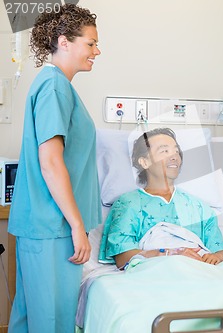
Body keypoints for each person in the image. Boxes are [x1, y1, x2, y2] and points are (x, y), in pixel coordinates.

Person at [7, 4, 102, 332]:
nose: (97, 51)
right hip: (54, 227)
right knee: (52, 323)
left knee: (31, 319)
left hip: (44, 225)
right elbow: (50, 161)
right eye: (90, 43)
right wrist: (77, 226)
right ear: (64, 42)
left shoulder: (53, 84)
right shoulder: (55, 86)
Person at [99, 128, 223, 269]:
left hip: (199, 272)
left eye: (176, 151)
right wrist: (170, 254)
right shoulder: (128, 204)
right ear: (144, 162)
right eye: (164, 151)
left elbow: (220, 253)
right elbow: (123, 258)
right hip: (156, 275)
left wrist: (215, 257)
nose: (174, 157)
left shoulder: (199, 207)